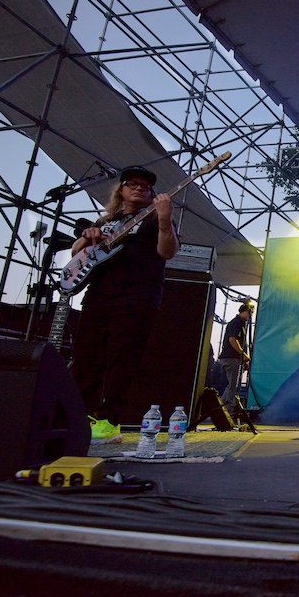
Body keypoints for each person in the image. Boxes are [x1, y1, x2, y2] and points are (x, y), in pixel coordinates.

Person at [69, 166, 179, 444]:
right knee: (85, 356)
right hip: (98, 295)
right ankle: (81, 416)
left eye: (145, 186)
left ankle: (108, 421)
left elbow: (167, 251)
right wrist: (86, 237)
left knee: (122, 359)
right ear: (121, 190)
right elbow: (76, 254)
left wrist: (165, 220)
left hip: (137, 296)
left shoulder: (154, 218)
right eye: (133, 184)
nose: (139, 188)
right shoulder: (107, 220)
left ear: (152, 194)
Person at [219, 303, 253, 411]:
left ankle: (221, 409)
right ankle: (228, 410)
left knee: (232, 385)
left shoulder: (241, 324)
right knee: (233, 386)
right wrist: (243, 354)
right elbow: (232, 340)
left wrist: (243, 361)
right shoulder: (236, 323)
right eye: (250, 312)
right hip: (231, 358)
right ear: (244, 311)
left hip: (234, 359)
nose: (250, 315)